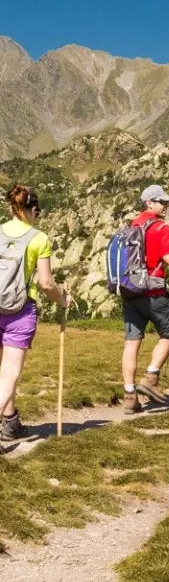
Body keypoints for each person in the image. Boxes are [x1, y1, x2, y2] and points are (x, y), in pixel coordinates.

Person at [0, 185, 69, 441]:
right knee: (9, 373)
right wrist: (62, 301)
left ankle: (11, 422)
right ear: (31, 210)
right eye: (37, 211)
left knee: (3, 372)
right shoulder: (39, 239)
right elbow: (46, 283)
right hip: (20, 310)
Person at [121, 184, 169, 414]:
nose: (165, 206)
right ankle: (151, 377)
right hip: (153, 292)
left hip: (130, 292)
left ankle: (129, 396)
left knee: (131, 343)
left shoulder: (131, 226)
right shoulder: (160, 227)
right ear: (149, 203)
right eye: (161, 201)